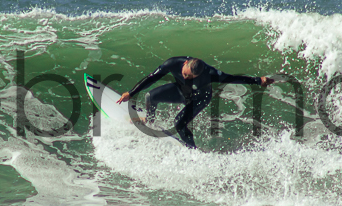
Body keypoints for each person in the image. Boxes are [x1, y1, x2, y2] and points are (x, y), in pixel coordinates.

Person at [116, 57, 274, 149]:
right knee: (151, 96)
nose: (185, 77)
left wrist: (258, 80)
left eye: (190, 77)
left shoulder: (211, 73)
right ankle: (149, 120)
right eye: (185, 74)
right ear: (185, 63)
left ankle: (192, 150)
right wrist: (131, 93)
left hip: (200, 98)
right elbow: (152, 78)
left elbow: (233, 78)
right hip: (182, 91)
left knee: (179, 123)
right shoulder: (172, 63)